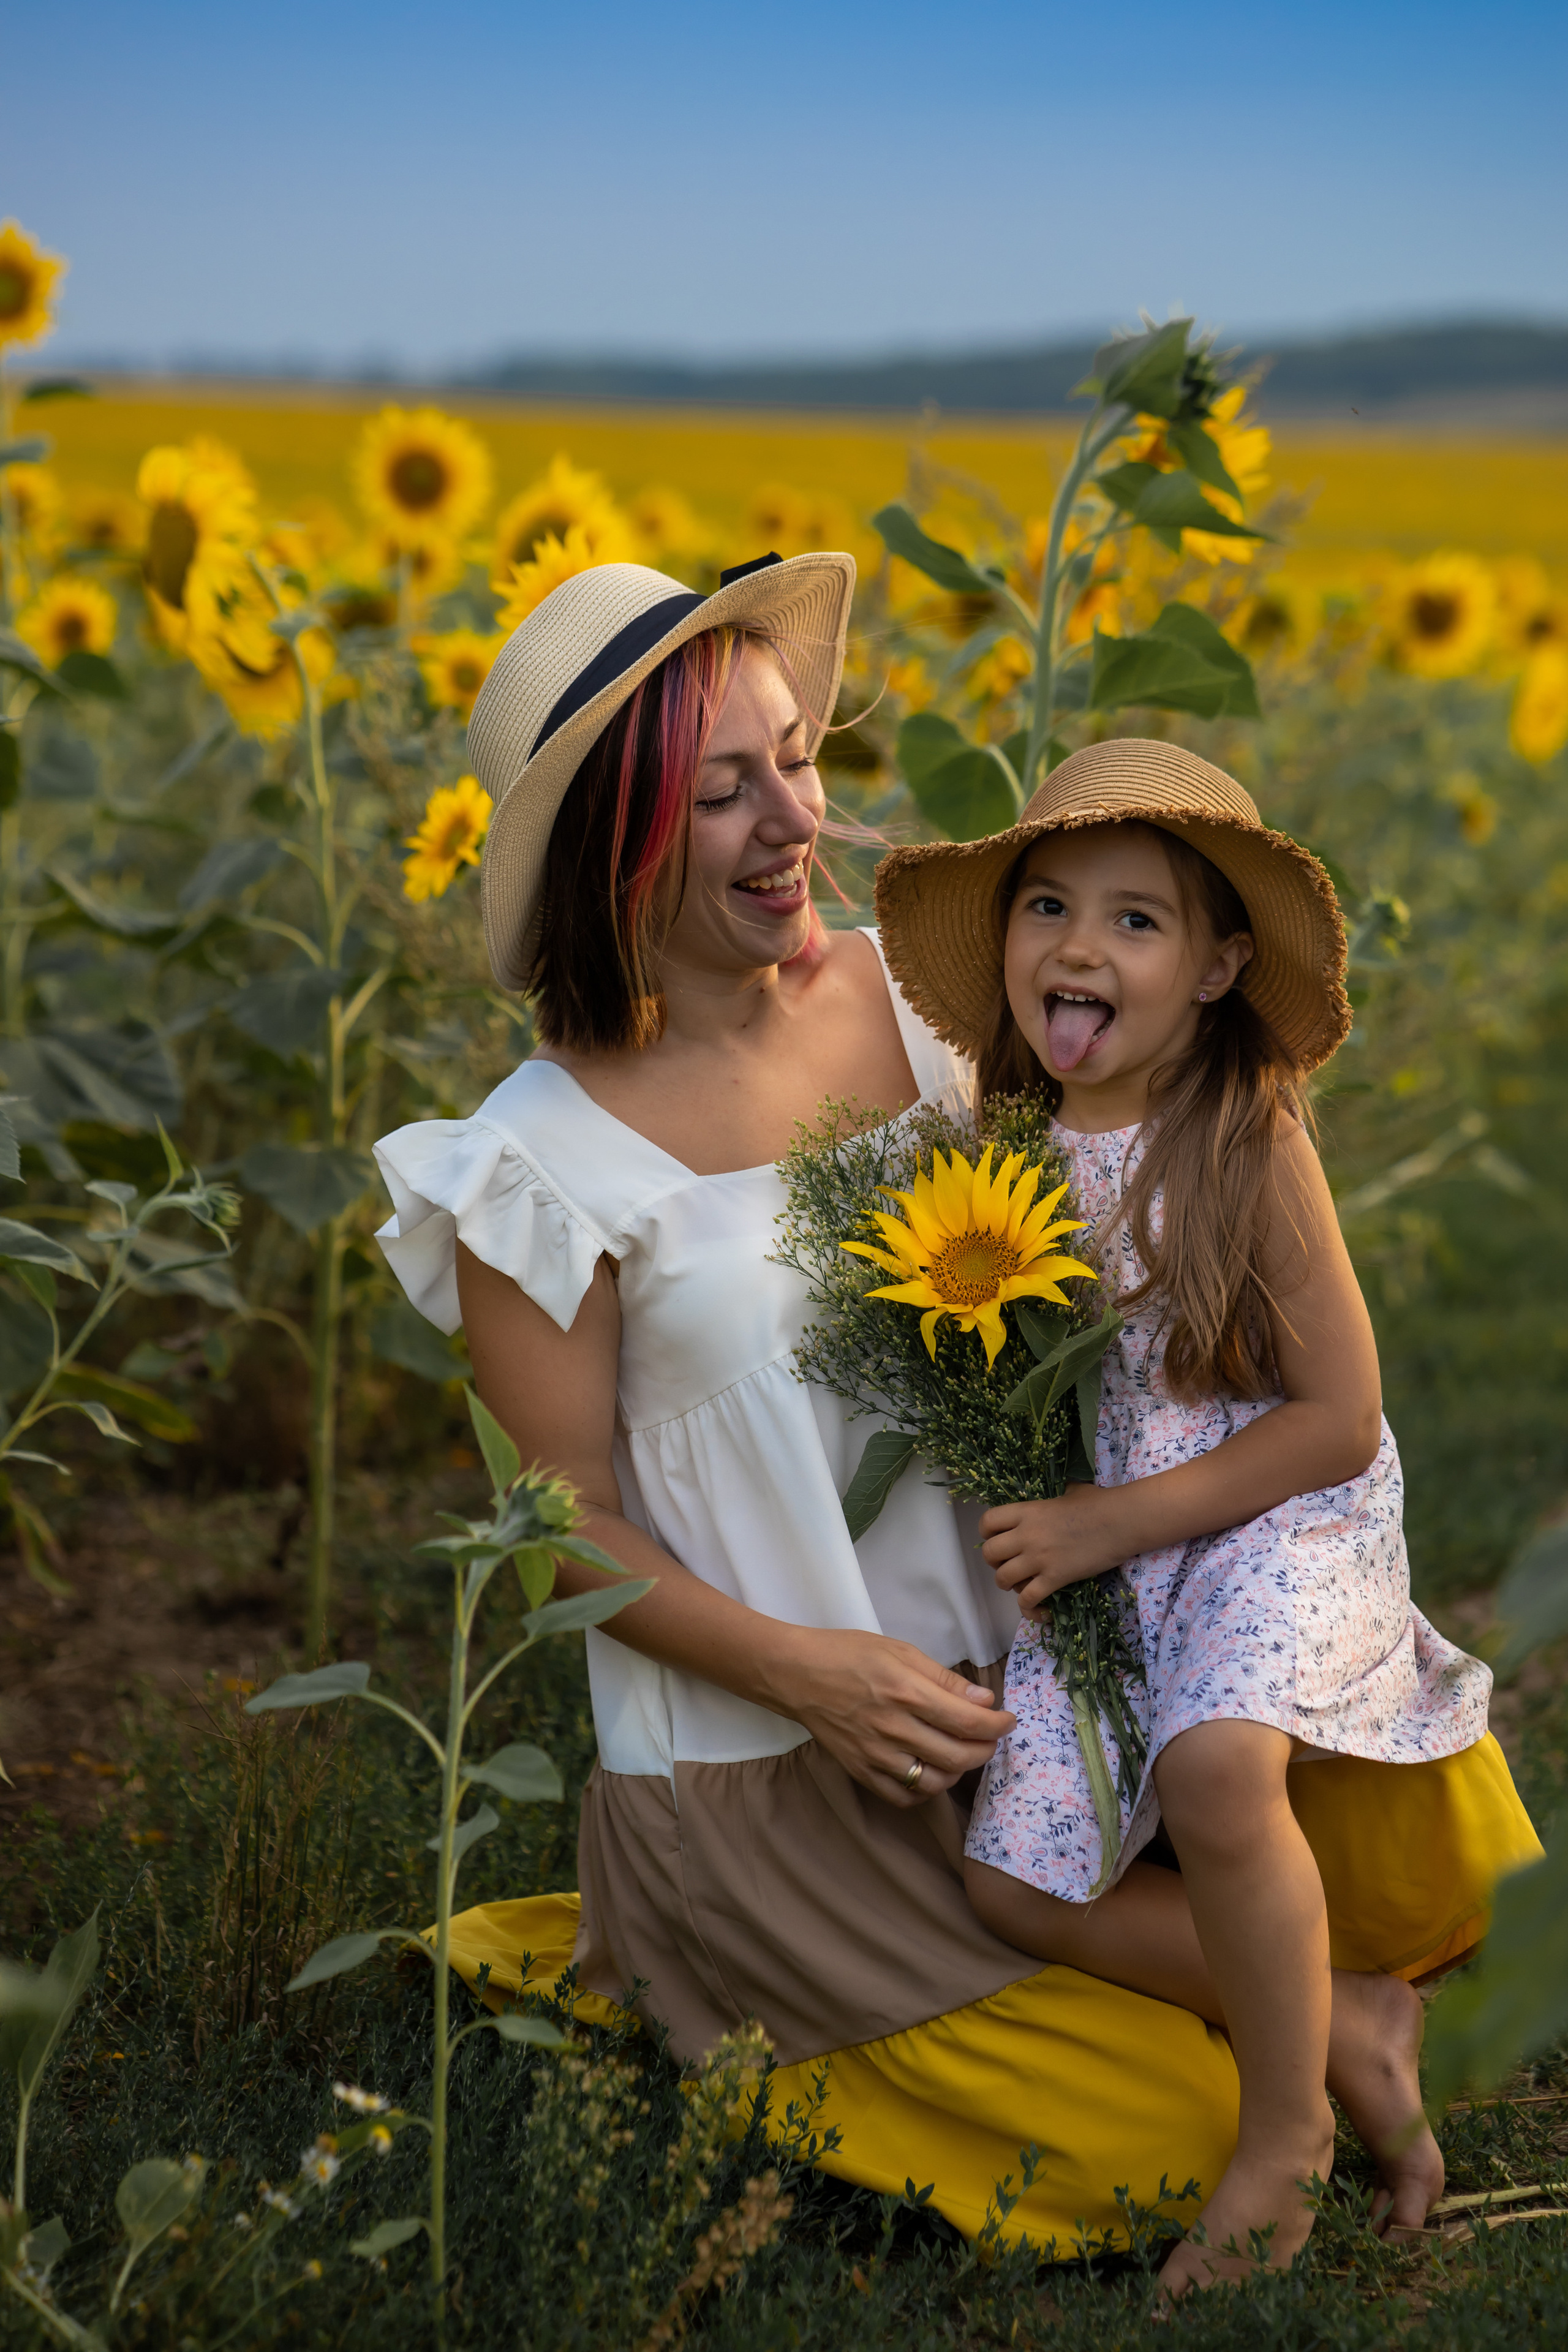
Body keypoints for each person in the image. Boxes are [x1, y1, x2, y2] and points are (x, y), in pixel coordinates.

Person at [373, 552, 1247, 2250]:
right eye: (725, 793)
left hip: (1033, 1693)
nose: (798, 820)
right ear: (615, 842)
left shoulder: (919, 994)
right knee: (1178, 2133)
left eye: (797, 755)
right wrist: (815, 1674)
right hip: (785, 1775)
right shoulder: (533, 1167)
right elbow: (556, 1535)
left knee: (1387, 1870)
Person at [872, 737, 1542, 2290]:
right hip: (1113, 1535)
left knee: (1216, 1772)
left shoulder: (1242, 1138)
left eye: (1135, 920)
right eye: (1046, 906)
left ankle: (1278, 2140)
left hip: (1266, 1516)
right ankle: (1352, 2014)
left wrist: (1109, 1528)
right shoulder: (1003, 1153)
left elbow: (1337, 1418)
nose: (1077, 946)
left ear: (1218, 967)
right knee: (1014, 1876)